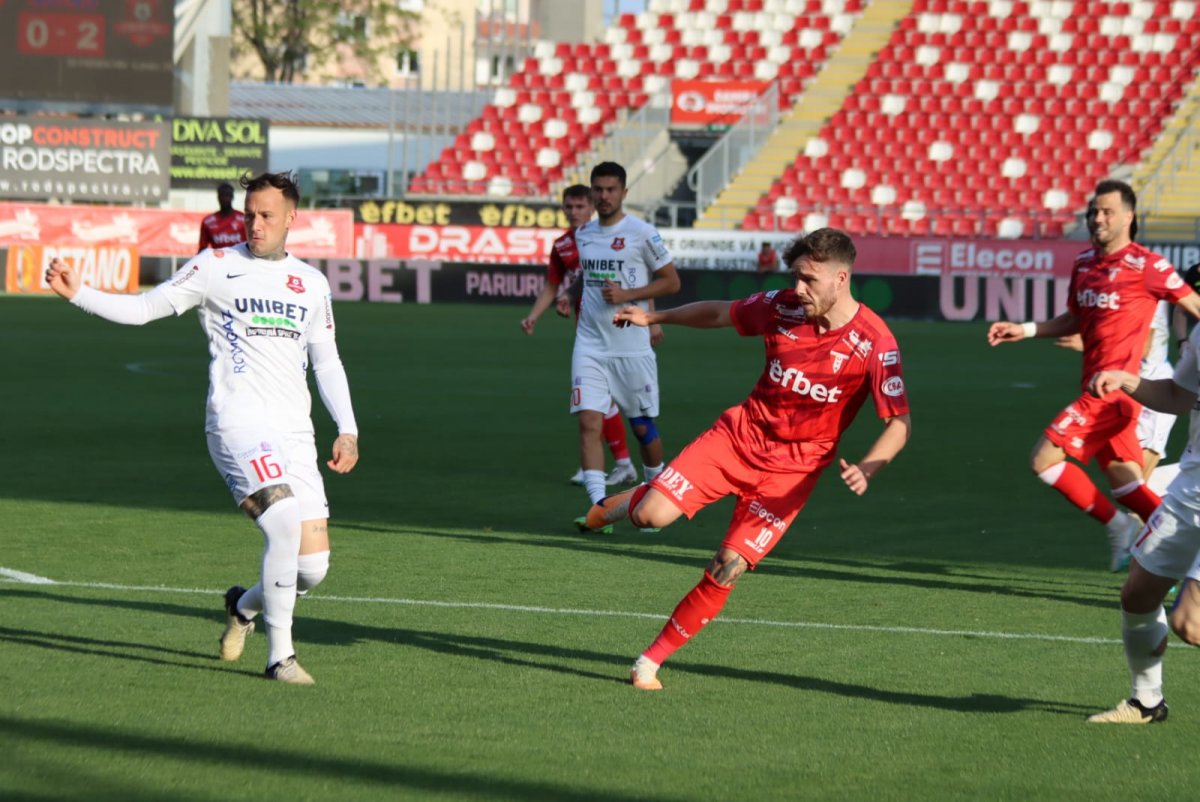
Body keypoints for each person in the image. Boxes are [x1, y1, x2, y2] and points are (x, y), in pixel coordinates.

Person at [46, 171, 359, 685]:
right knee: (281, 525)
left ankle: (243, 607)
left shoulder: (311, 284)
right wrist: (81, 293)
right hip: (237, 424)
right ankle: (281, 657)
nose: (255, 225)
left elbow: (327, 363)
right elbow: (146, 308)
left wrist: (346, 429)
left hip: (295, 435)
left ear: (292, 218)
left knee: (311, 569)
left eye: (267, 216)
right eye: (249, 215)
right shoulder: (214, 266)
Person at [582, 228, 911, 690]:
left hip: (790, 476)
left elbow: (899, 423)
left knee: (726, 567)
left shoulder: (875, 342)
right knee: (651, 516)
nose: (798, 288)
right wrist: (654, 317)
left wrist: (870, 466)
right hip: (739, 439)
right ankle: (623, 504)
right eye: (795, 276)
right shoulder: (783, 307)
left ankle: (648, 662)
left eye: (809, 280)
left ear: (841, 279)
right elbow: (720, 312)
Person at [987, 180, 1200, 571]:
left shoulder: (1147, 266)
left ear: (1128, 218)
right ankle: (1184, 556)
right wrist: (1028, 329)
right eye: (1093, 211)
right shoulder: (1084, 263)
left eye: (1106, 212)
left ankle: (1120, 527)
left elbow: (1194, 304)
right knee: (1128, 484)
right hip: (1094, 384)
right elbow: (1075, 318)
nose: (1097, 218)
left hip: (1114, 395)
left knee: (1043, 459)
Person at [1086, 323, 1200, 723]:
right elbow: (1176, 396)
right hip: (1190, 490)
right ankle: (1146, 702)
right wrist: (1126, 380)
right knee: (1137, 595)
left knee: (1190, 623)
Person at [568, 161, 680, 527]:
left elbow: (671, 282)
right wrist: (568, 297)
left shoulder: (643, 233)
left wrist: (630, 295)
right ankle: (599, 508)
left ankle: (653, 496)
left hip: (631, 347)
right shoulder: (583, 234)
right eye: (597, 189)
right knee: (588, 422)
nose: (604, 196)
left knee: (643, 428)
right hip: (590, 344)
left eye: (611, 189)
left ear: (624, 193)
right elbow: (588, 280)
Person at [520, 184, 647, 488]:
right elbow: (553, 285)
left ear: (592, 207)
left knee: (618, 399)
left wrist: (652, 321)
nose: (574, 212)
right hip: (588, 328)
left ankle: (627, 468)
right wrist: (534, 315)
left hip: (622, 323)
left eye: (580, 206)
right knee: (599, 398)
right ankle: (620, 465)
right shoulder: (563, 244)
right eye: (569, 207)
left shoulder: (611, 236)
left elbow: (640, 274)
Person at [198, 182, 247, 252]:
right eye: (222, 195)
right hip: (218, 261)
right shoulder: (207, 222)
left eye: (228, 195)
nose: (225, 199)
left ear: (232, 197)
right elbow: (202, 248)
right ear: (218, 197)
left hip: (239, 260)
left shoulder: (243, 219)